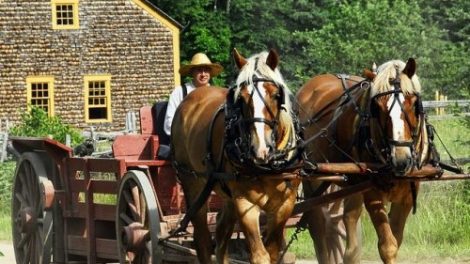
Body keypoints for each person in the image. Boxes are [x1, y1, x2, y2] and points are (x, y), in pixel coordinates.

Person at [163, 52, 223, 136]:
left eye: (206, 70)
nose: (203, 74)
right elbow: (169, 124)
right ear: (192, 72)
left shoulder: (216, 94)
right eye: (199, 70)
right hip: (184, 142)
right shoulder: (180, 92)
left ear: (210, 73)